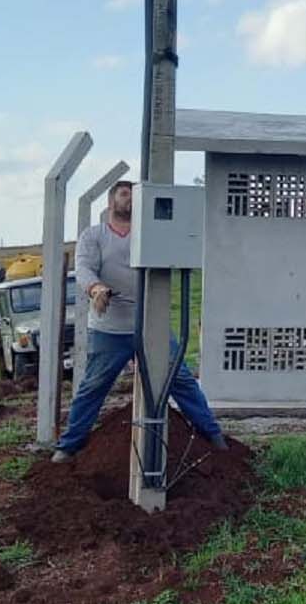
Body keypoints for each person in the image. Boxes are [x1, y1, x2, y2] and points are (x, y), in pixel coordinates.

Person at [52, 180, 227, 462]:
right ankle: (69, 446)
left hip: (151, 325)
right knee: (94, 386)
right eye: (124, 194)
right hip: (110, 329)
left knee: (181, 379)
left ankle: (214, 436)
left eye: (134, 194)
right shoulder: (94, 236)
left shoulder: (150, 234)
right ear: (111, 201)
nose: (130, 199)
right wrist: (96, 288)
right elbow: (84, 268)